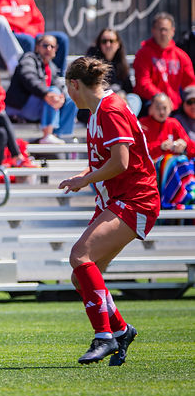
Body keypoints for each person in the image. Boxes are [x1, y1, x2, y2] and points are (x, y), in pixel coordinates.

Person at [58, 56, 159, 365]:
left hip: (136, 198)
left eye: (67, 88)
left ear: (75, 84)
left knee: (79, 256)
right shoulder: (99, 111)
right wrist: (86, 179)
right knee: (82, 277)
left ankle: (104, 337)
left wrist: (84, 179)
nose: (68, 95)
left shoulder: (110, 110)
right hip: (120, 199)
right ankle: (121, 330)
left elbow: (122, 163)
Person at [5, 34, 77, 144]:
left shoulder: (51, 67)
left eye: (52, 47)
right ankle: (47, 134)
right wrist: (47, 94)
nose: (48, 49)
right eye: (45, 45)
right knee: (53, 92)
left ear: (55, 50)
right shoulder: (28, 59)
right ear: (37, 47)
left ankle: (59, 134)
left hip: (41, 106)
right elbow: (29, 78)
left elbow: (58, 84)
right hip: (21, 107)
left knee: (69, 100)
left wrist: (61, 97)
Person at [133, 12, 195, 112]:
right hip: (152, 104)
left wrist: (191, 101)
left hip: (176, 106)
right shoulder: (143, 54)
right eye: (160, 29)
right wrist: (161, 98)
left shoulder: (181, 56)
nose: (163, 33)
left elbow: (190, 84)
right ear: (153, 31)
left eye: (166, 29)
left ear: (173, 31)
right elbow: (143, 83)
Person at [79, 29, 138, 122]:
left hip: (117, 104)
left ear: (118, 44)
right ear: (99, 44)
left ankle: (126, 124)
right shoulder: (91, 63)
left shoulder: (121, 64)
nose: (108, 45)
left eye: (111, 41)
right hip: (96, 106)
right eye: (104, 41)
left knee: (134, 99)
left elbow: (129, 89)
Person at [140, 93, 190, 160]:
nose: (162, 112)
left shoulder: (173, 123)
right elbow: (140, 149)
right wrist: (160, 147)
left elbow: (188, 142)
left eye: (165, 108)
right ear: (151, 108)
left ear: (170, 107)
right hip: (152, 165)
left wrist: (184, 144)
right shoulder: (143, 124)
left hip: (174, 162)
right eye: (158, 108)